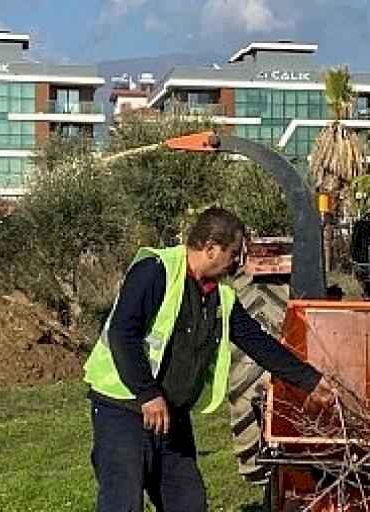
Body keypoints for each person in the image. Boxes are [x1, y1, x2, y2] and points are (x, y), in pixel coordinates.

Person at [83, 207, 334, 512]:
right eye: (234, 253)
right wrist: (148, 394)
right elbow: (123, 333)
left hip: (170, 414)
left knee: (188, 503)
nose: (237, 262)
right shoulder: (156, 271)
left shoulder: (220, 296)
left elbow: (258, 343)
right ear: (211, 248)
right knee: (122, 503)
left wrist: (310, 380)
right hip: (123, 409)